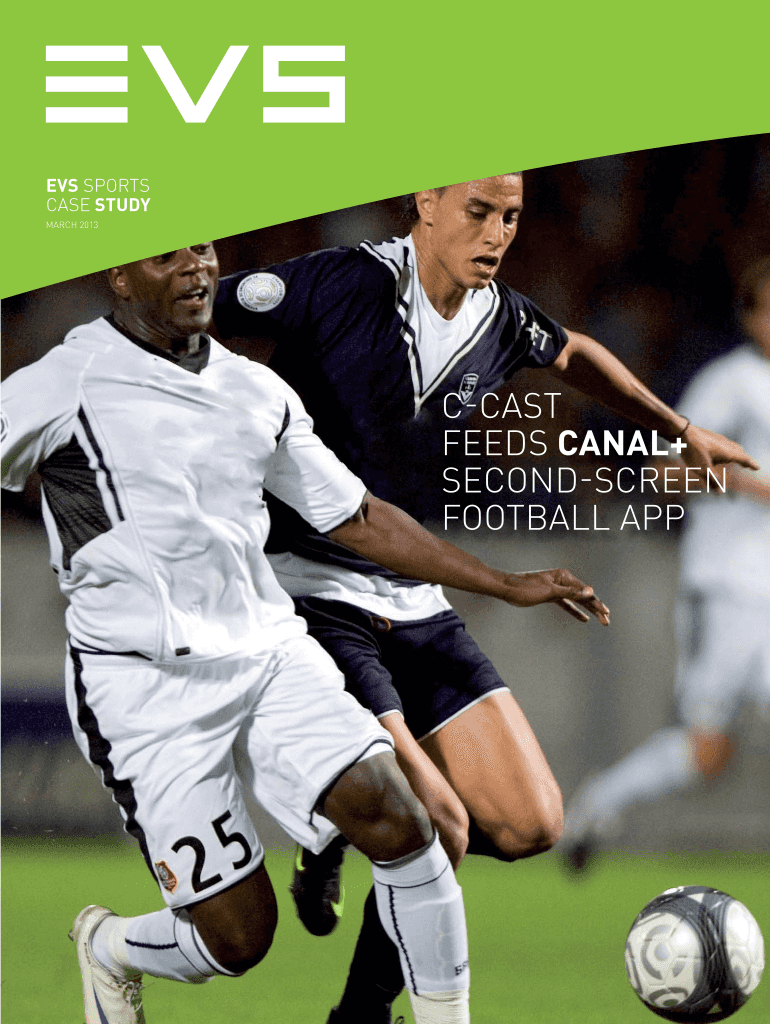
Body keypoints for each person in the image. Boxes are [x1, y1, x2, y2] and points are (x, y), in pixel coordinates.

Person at [0, 243, 614, 1024]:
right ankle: (112, 947)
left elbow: (357, 516)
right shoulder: (65, 381)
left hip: (269, 655)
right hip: (143, 684)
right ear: (118, 278)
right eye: (165, 257)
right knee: (238, 938)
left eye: (203, 249)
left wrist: (500, 581)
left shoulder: (256, 390)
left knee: (407, 822)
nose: (194, 268)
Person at [213, 174, 758, 1024]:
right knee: (437, 824)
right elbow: (184, 313)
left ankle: (340, 827)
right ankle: (360, 1011)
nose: (499, 232)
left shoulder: (499, 317)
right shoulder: (340, 282)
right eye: (479, 211)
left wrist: (680, 429)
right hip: (305, 595)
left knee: (531, 823)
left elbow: (573, 353)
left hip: (412, 595)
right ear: (426, 202)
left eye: (511, 217)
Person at [560, 255, 770, 870]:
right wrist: (754, 485)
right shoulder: (731, 382)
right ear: (751, 317)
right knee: (706, 753)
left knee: (709, 754)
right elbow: (664, 471)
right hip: (729, 590)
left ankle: (597, 801)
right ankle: (596, 804)